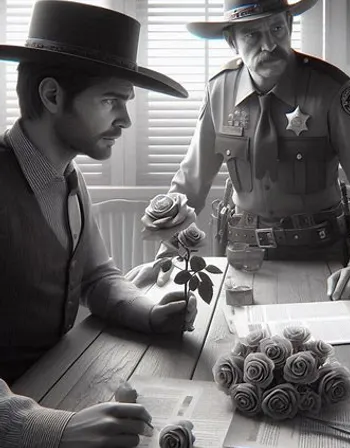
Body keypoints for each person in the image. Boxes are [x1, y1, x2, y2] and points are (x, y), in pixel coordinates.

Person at [0, 1, 196, 447]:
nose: (125, 120)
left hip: (62, 384)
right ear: (52, 96)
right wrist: (54, 429)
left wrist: (148, 313)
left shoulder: (70, 176)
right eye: (111, 100)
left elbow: (97, 276)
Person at [138, 0, 350, 301]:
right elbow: (191, 183)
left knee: (319, 346)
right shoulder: (219, 89)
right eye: (252, 34)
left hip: (319, 254)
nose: (270, 44)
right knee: (240, 343)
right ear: (231, 40)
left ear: (289, 23)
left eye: (276, 28)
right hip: (240, 255)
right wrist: (164, 255)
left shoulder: (331, 88)